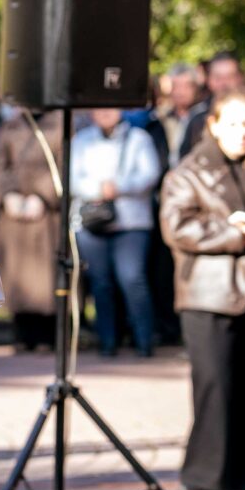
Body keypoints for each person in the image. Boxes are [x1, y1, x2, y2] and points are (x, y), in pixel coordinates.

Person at [160, 88, 245, 490]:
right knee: (216, 383)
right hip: (209, 291)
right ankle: (208, 474)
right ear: (214, 125)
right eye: (233, 124)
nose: (242, 133)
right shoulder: (188, 171)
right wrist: (233, 232)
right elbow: (177, 227)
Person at [71, 108, 160, 356]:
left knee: (132, 278)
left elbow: (150, 174)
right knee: (101, 283)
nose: (104, 113)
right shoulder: (82, 140)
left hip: (131, 222)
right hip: (92, 221)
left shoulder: (139, 138)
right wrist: (98, 189)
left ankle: (143, 338)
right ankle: (108, 341)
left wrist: (119, 187)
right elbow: (73, 178)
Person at [0, 109, 63, 351]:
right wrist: (7, 194)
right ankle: (21, 332)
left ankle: (46, 335)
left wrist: (43, 196)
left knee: (44, 276)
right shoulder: (10, 125)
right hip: (14, 210)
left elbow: (63, 164)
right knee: (17, 275)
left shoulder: (61, 124)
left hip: (45, 212)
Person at [179, 52, 245, 161]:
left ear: (240, 78)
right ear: (209, 80)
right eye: (218, 77)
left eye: (230, 76)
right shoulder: (196, 116)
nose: (224, 83)